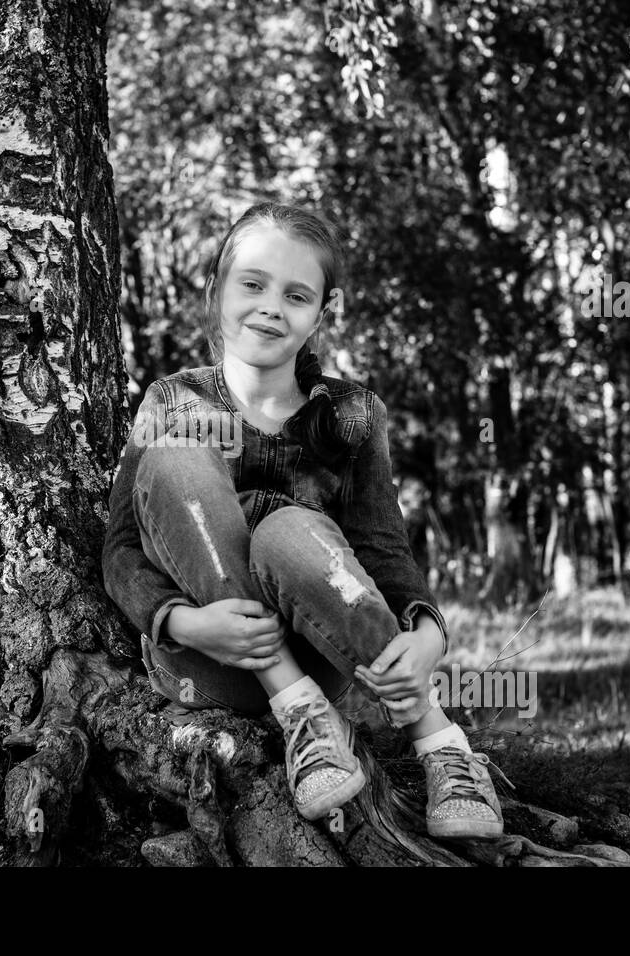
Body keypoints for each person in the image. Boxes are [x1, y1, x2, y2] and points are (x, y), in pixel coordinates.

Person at [101, 201, 507, 839]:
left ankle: (440, 743)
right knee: (180, 452)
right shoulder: (173, 399)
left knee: (288, 531)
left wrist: (427, 633)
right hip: (209, 660)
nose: (270, 307)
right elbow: (121, 549)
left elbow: (382, 549)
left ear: (323, 311)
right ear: (216, 289)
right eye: (253, 285)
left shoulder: (351, 413)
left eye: (296, 295)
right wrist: (183, 621)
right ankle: (298, 714)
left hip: (325, 653)